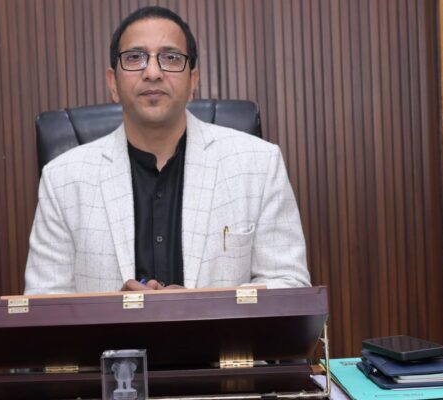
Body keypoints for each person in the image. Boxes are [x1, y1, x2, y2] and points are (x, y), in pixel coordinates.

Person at [24, 6, 311, 294]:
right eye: (135, 57)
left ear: (193, 81)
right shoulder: (62, 180)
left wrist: (202, 308)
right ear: (113, 83)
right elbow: (43, 305)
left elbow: (290, 288)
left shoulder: (259, 165)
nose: (152, 72)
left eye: (171, 58)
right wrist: (114, 313)